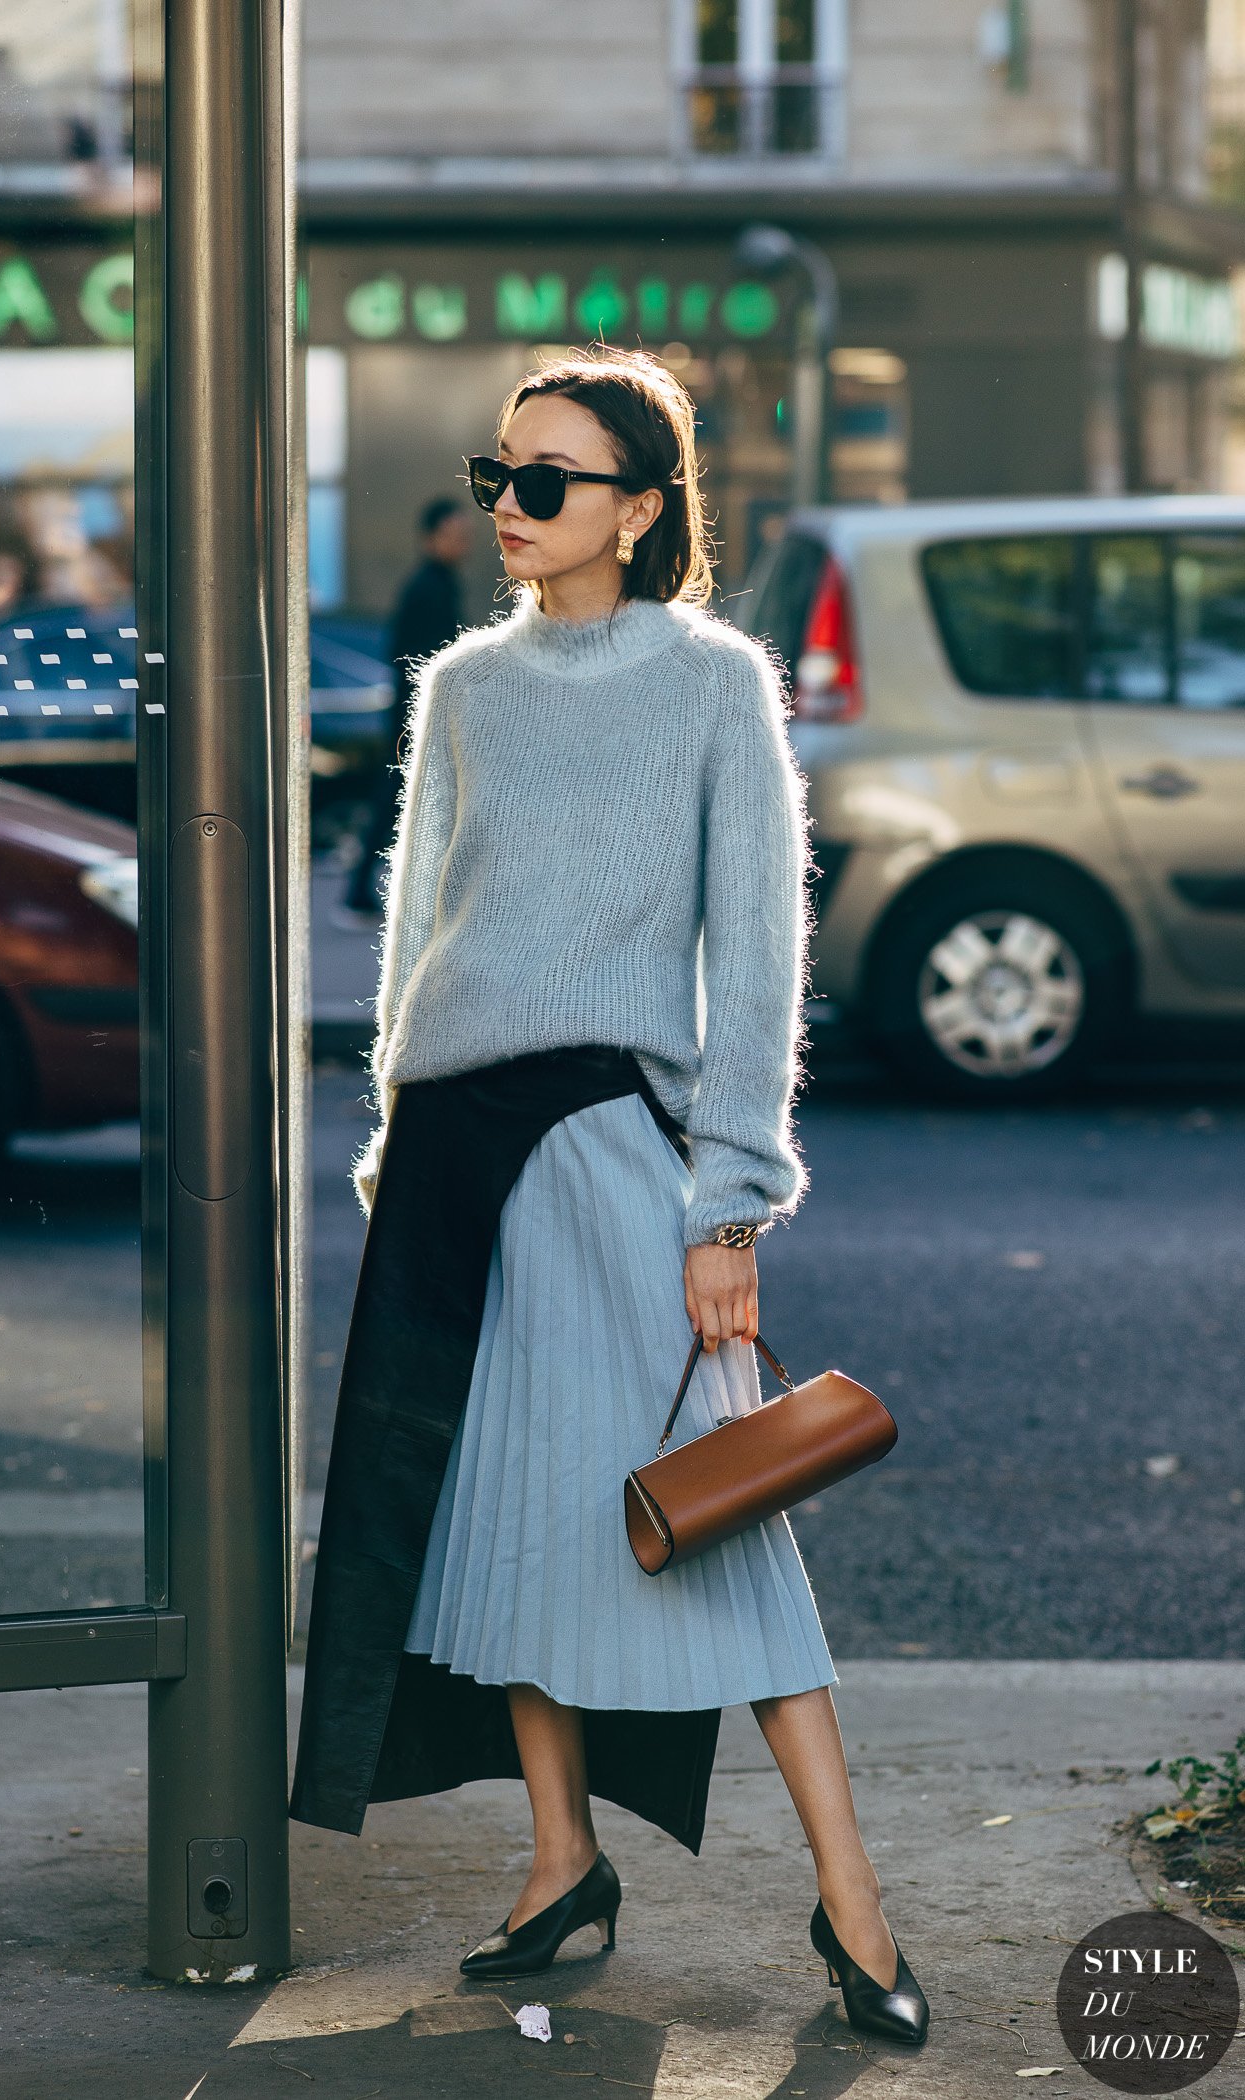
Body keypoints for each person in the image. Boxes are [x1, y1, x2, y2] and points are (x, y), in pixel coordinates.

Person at [291, 349, 929, 2047]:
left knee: (719, 1527)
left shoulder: (711, 683)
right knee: (499, 1517)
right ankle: (559, 1858)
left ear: (641, 510)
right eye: (498, 473)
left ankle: (855, 1909)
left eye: (549, 482)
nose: (508, 506)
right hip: (452, 1160)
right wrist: (390, 1143)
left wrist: (730, 1205)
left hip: (606, 1147)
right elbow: (420, 931)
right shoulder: (464, 691)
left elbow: (759, 948)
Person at [333, 495, 471, 928]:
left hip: (417, 712)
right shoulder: (427, 588)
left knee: (402, 802)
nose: (462, 543)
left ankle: (373, 892)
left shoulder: (440, 583)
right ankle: (361, 892)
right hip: (417, 714)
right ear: (430, 538)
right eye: (454, 535)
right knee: (398, 802)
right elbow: (413, 657)